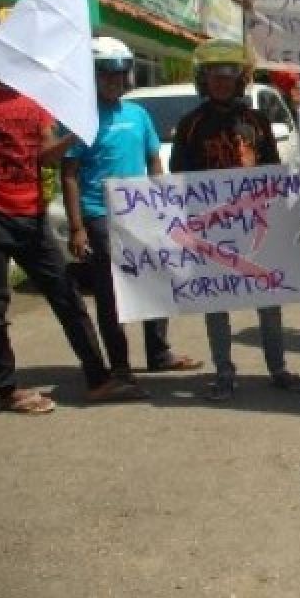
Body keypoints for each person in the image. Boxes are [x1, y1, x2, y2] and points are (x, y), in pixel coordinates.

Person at [0, 63, 127, 411]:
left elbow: (45, 159)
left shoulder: (34, 98)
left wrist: (73, 136)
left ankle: (98, 379)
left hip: (31, 214)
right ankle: (7, 389)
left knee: (67, 295)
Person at [169, 39, 300, 401]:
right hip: (212, 228)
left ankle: (277, 368)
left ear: (240, 80)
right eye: (215, 75)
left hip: (257, 224)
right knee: (216, 305)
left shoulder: (257, 122)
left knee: (269, 297)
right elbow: (178, 176)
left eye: (229, 75)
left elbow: (274, 172)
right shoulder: (190, 125)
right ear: (203, 79)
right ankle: (224, 372)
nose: (222, 81)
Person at [61, 37, 202, 381]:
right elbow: (69, 174)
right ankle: (120, 364)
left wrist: (165, 204)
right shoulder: (80, 119)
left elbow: (154, 160)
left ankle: (159, 352)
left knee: (155, 278)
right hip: (100, 213)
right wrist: (77, 227)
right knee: (113, 290)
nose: (114, 81)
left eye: (120, 74)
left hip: (141, 210)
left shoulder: (138, 114)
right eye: (106, 74)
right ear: (92, 76)